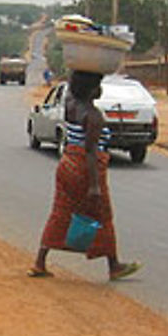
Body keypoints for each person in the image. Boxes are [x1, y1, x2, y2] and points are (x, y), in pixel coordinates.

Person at [29, 69, 142, 280]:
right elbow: (90, 152)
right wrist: (95, 186)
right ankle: (114, 265)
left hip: (67, 163)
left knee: (61, 211)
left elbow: (73, 79)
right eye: (97, 85)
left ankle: (40, 262)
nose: (100, 89)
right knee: (103, 215)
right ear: (90, 90)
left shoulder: (71, 104)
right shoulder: (93, 116)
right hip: (85, 168)